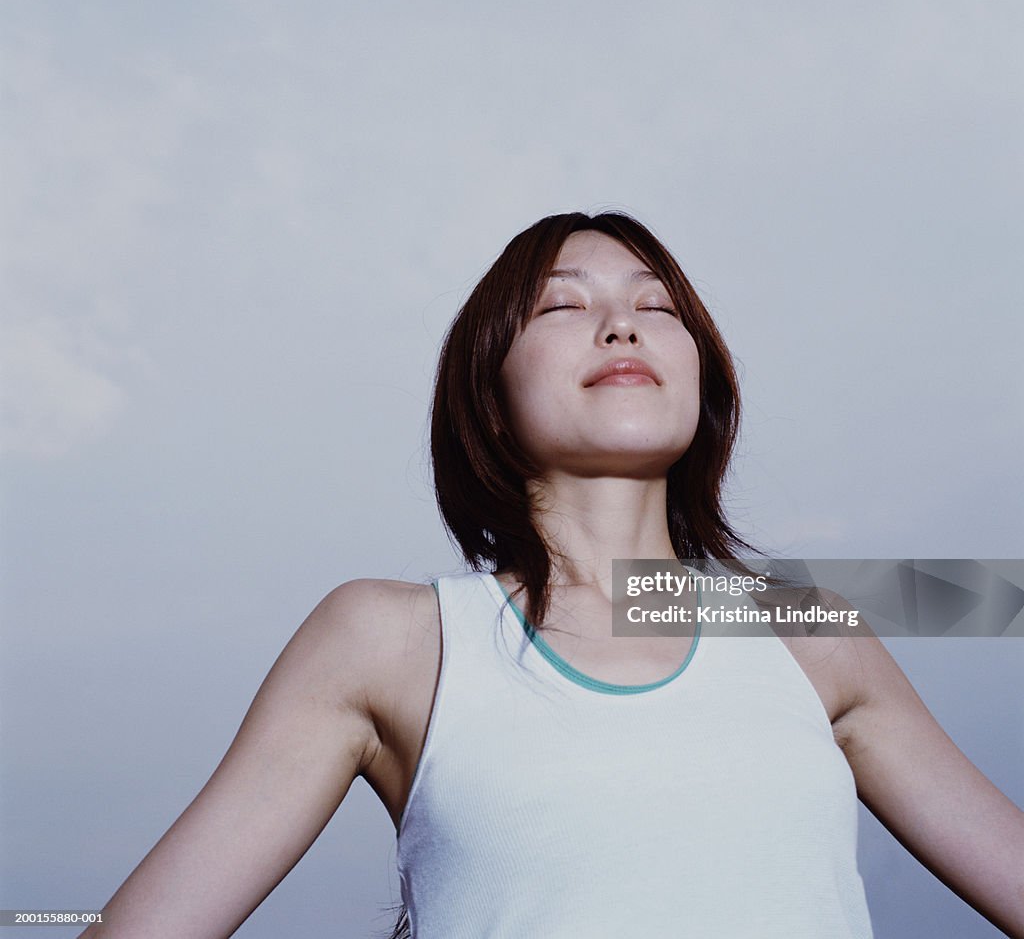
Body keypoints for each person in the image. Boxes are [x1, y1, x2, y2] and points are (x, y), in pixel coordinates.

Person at [80, 212, 1024, 938]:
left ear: (708, 384)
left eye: (659, 307)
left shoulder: (805, 627)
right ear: (487, 395)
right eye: (566, 305)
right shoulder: (388, 638)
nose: (623, 325)